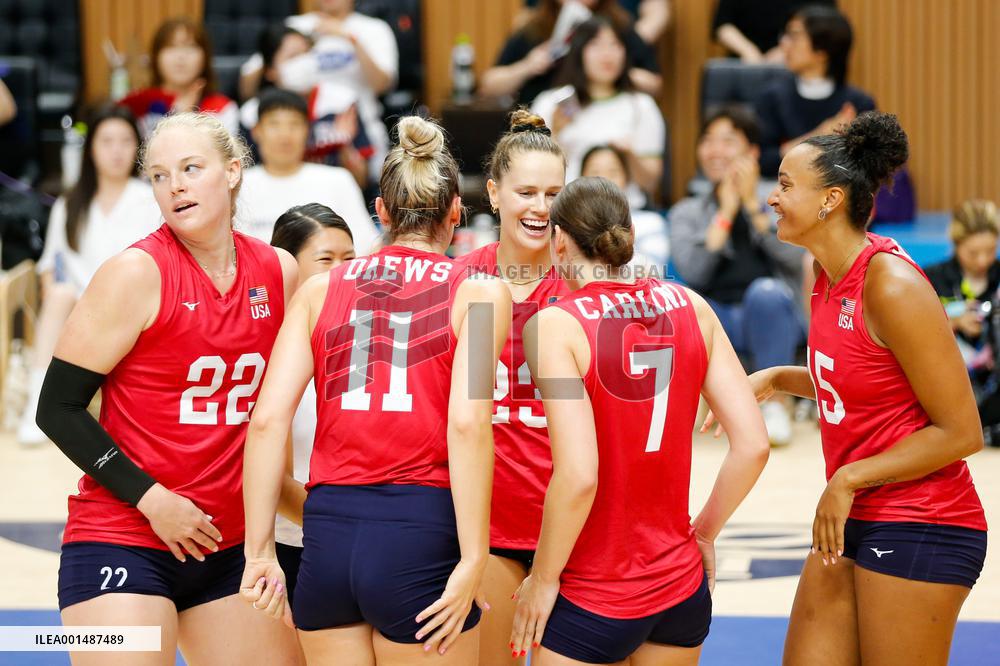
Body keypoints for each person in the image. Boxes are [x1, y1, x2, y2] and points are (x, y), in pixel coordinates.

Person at [709, 111, 987, 665]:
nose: (771, 198)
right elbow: (867, 383)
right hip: (858, 510)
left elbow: (961, 430)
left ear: (830, 200)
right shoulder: (824, 275)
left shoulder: (893, 284)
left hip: (923, 519)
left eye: (785, 186)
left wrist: (849, 477)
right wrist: (779, 379)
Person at [240, 115, 512, 664]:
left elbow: (266, 422)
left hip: (328, 536)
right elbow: (467, 424)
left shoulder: (319, 288)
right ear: (456, 212)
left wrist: (259, 552)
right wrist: (474, 557)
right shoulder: (481, 293)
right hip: (422, 531)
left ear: (382, 212)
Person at [34, 112, 301, 665]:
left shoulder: (279, 271)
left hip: (228, 550)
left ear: (232, 171)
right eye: (158, 175)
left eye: (190, 168)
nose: (174, 185)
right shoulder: (134, 272)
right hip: (121, 539)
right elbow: (56, 408)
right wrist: (154, 501)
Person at [509, 176, 770, 665]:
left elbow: (579, 475)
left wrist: (542, 580)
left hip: (593, 592)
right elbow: (753, 445)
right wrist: (705, 534)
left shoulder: (555, 325)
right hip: (679, 588)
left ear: (559, 240)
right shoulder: (692, 305)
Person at [451, 109, 567, 666]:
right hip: (487, 527)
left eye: (553, 193)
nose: (541, 208)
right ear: (493, 193)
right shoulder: (459, 278)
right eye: (526, 192)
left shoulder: (583, 287)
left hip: (567, 530)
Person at [17, 105, 161, 447]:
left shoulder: (150, 199)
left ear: (137, 148)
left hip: (131, 309)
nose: (115, 151)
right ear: (91, 148)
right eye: (106, 141)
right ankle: (37, 405)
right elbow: (50, 266)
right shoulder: (70, 204)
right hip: (77, 311)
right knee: (59, 294)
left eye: (125, 141)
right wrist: (58, 297)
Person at [670, 105, 804, 445]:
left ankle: (776, 405)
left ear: (753, 153)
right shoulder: (686, 211)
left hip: (769, 315)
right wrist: (727, 211)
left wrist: (750, 206)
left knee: (766, 292)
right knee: (686, 307)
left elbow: (796, 256)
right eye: (708, 141)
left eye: (728, 141)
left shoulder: (780, 201)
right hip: (717, 319)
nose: (716, 151)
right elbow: (693, 270)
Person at [267, 203, 355, 609]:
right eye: (326, 260)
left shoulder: (370, 345)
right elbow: (276, 481)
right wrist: (353, 526)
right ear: (287, 268)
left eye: (350, 260)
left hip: (361, 544)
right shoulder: (272, 355)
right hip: (293, 549)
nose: (341, 273)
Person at [238, 0, 397, 186]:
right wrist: (280, 66)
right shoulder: (294, 26)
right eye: (296, 57)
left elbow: (383, 85)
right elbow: (249, 81)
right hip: (289, 114)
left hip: (351, 121)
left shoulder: (374, 28)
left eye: (306, 54)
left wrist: (350, 38)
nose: (304, 62)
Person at [532, 16, 665, 206]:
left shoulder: (641, 106)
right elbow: (531, 172)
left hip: (625, 212)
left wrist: (630, 155)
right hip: (564, 211)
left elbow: (651, 183)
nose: (607, 54)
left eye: (615, 45)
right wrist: (555, 135)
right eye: (596, 45)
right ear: (578, 52)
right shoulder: (552, 103)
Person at [238, 88, 378, 253]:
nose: (285, 135)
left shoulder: (338, 180)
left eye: (294, 124)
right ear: (256, 131)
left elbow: (366, 246)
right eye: (274, 124)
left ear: (308, 131)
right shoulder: (239, 184)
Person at [755, 5, 875, 177]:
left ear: (822, 51)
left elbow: (869, 168)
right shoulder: (772, 97)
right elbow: (763, 162)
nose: (783, 43)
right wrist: (820, 135)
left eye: (793, 36)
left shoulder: (859, 102)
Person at [480, 0, 662, 105]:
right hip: (539, 127)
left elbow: (654, 83)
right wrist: (527, 66)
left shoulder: (619, 27)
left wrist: (614, 67)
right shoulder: (535, 28)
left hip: (605, 125)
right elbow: (489, 85)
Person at [924, 200, 1000, 398]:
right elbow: (914, 335)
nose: (982, 260)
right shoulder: (932, 278)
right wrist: (954, 323)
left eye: (990, 251)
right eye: (973, 253)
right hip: (946, 384)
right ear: (956, 244)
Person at [119, 17, 239, 139]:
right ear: (155, 57)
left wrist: (187, 115)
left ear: (206, 57)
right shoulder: (137, 105)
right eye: (171, 46)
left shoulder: (222, 108)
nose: (181, 56)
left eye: (190, 47)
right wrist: (178, 112)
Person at [579, 144, 669, 273]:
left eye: (613, 172)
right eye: (595, 172)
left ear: (626, 179)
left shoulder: (651, 222)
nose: (604, 179)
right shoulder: (571, 227)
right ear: (580, 180)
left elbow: (654, 272)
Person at [712, 0, 836, 63]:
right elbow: (722, 24)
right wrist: (750, 52)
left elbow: (827, 23)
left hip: (800, 64)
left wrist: (786, 50)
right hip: (745, 63)